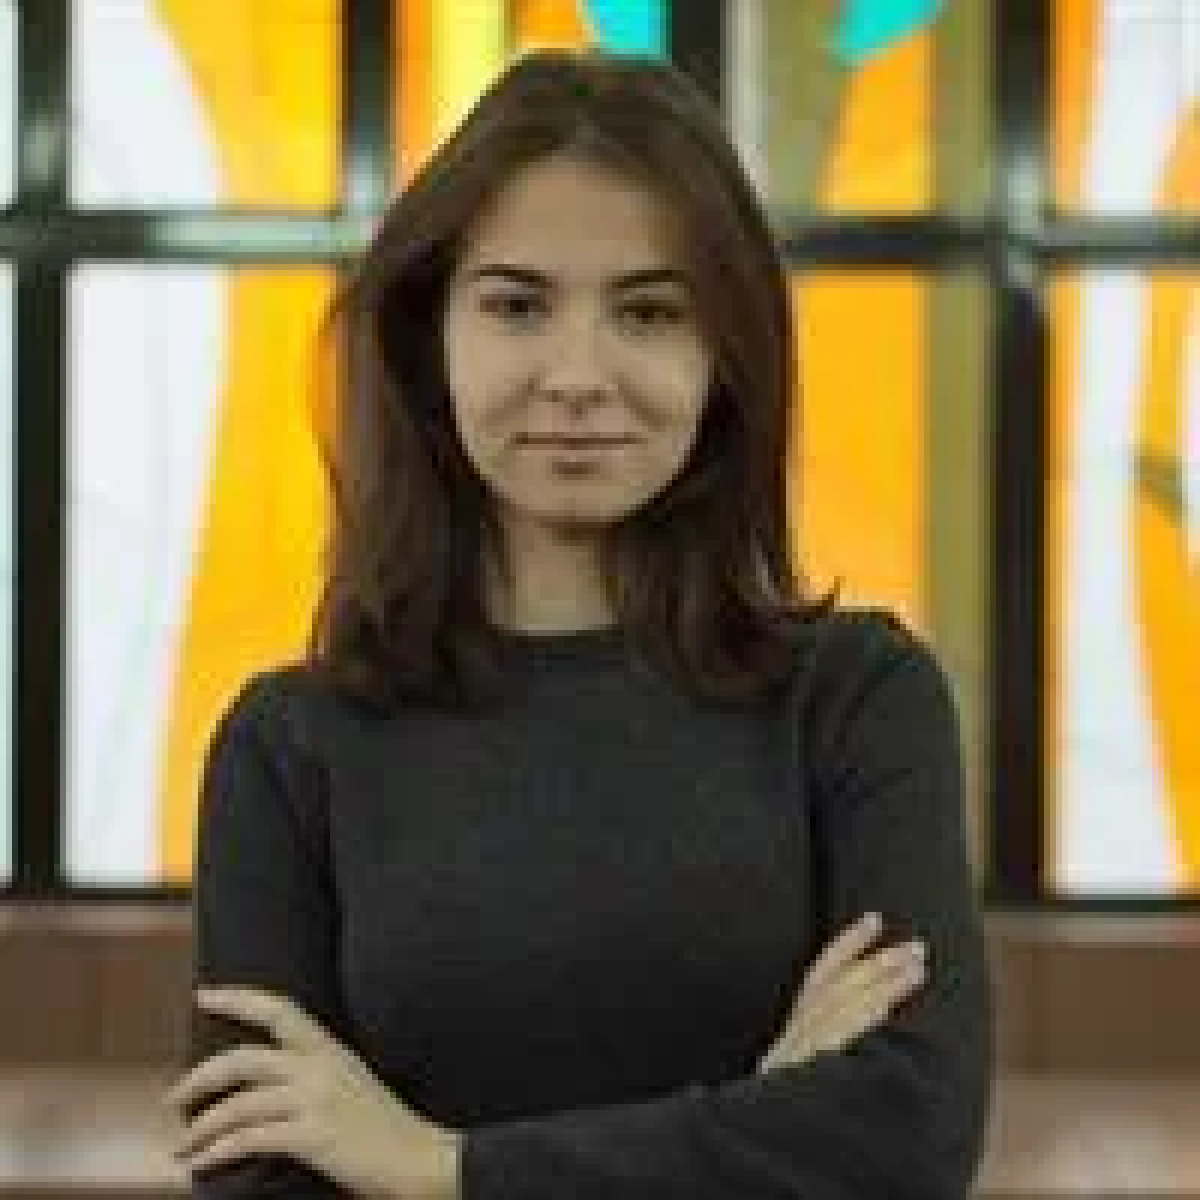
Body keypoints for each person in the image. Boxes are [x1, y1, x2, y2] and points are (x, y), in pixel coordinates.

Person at [165, 46, 994, 1198]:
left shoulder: (857, 702)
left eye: (648, 312)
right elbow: (261, 1176)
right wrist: (761, 1120)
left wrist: (439, 1168)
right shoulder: (292, 748)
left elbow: (906, 1139)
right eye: (516, 305)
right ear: (429, 340)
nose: (577, 375)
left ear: (725, 356)